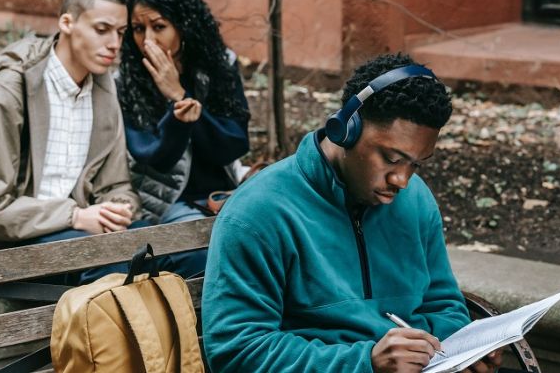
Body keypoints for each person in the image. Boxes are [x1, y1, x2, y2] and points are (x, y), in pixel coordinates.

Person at [202, 53, 503, 373]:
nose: (402, 180)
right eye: (390, 157)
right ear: (345, 129)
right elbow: (236, 350)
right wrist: (365, 362)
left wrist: (465, 349)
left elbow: (444, 306)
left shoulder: (416, 200)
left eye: (415, 163)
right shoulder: (257, 213)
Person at [0, 0, 140, 258]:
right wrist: (74, 216)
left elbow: (115, 184)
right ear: (67, 23)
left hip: (80, 237)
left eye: (121, 32)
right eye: (102, 29)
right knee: (114, 269)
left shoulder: (103, 89)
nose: (115, 44)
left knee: (169, 252)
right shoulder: (9, 92)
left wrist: (117, 209)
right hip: (1, 248)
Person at [112, 0, 250, 277]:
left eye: (159, 27)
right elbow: (155, 157)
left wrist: (179, 94)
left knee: (269, 237)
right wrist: (178, 114)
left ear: (183, 26)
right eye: (137, 29)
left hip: (222, 194)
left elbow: (234, 143)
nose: (147, 40)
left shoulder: (218, 64)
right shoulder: (127, 80)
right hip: (165, 202)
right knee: (211, 255)